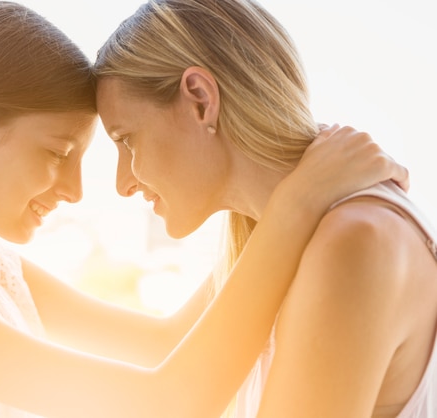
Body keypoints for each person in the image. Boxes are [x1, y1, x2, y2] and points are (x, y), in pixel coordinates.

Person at [0, 2, 409, 418]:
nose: (75, 189)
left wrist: (279, 195)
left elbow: (167, 341)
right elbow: (165, 401)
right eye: (56, 152)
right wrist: (296, 204)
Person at [93, 0, 437, 417]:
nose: (122, 184)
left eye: (126, 139)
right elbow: (162, 347)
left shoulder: (353, 242)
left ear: (200, 100)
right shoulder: (275, 239)